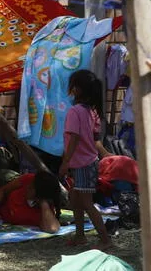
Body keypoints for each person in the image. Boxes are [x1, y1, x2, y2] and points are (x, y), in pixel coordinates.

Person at [59, 69, 112, 250]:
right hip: (86, 163)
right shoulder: (92, 111)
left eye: (73, 86)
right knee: (75, 199)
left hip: (82, 164)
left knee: (87, 203)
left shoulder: (75, 111)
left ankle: (105, 240)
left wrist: (65, 163)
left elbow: (74, 139)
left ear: (78, 89)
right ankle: (80, 236)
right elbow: (94, 138)